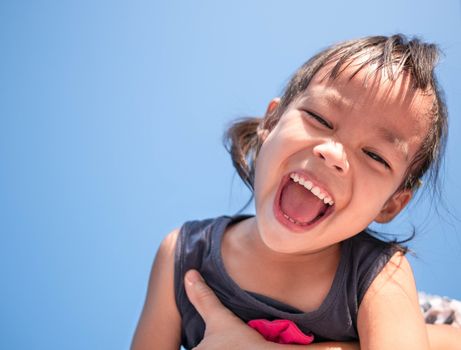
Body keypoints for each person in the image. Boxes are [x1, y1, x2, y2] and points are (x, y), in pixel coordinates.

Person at [131, 34, 461, 349]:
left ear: (391, 204)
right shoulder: (183, 254)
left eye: (375, 156)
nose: (333, 154)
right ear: (271, 121)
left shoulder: (381, 275)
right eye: (319, 118)